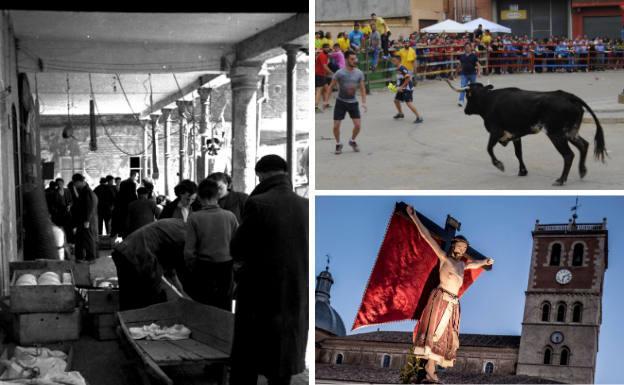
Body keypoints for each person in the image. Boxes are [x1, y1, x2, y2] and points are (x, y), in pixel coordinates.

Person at [229, 155, 308, 385]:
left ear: (261, 175)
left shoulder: (258, 204)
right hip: (294, 296)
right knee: (281, 365)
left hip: (259, 297)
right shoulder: (306, 206)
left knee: (247, 362)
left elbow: (238, 247)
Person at [406, 206, 494, 383]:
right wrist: (414, 217)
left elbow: (475, 263)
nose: (461, 250)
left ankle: (431, 369)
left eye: (464, 248)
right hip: (441, 299)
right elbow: (427, 237)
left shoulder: (462, 265)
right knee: (435, 332)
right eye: (459, 246)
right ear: (453, 245)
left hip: (453, 303)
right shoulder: (444, 258)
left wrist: (485, 261)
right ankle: (427, 369)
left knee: (446, 337)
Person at [112, 219, 190, 311]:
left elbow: (171, 272)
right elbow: (179, 269)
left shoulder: (178, 226)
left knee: (129, 299)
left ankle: (128, 321)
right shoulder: (185, 237)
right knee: (152, 300)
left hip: (123, 252)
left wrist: (181, 294)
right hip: (139, 256)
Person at [184, 179, 238, 311]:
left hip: (203, 268)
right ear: (218, 196)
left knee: (204, 307)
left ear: (199, 197)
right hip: (226, 267)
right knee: (224, 306)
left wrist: (192, 267)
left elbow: (189, 251)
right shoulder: (230, 216)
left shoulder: (194, 218)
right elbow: (239, 244)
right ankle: (223, 331)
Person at [328, 50, 367, 155]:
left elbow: (363, 88)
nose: (355, 61)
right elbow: (331, 86)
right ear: (346, 60)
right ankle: (338, 143)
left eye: (355, 58)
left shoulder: (359, 73)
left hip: (353, 103)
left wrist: (364, 102)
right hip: (340, 102)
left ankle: (352, 140)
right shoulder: (339, 73)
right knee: (336, 126)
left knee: (358, 126)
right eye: (352, 59)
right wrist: (326, 100)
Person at [71, 173, 98, 262]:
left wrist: (87, 220)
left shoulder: (87, 192)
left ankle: (91, 258)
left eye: (75, 183)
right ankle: (80, 257)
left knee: (88, 239)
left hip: (87, 220)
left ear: (79, 182)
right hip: (83, 219)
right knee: (81, 239)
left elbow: (89, 207)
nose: (74, 185)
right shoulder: (83, 191)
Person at [390, 56, 424, 123]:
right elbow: (400, 79)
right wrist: (394, 87)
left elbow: (408, 78)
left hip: (407, 89)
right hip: (401, 88)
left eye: (394, 60)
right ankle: (400, 113)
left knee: (408, 103)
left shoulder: (402, 68)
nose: (393, 62)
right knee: (396, 100)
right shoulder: (397, 69)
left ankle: (419, 117)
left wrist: (401, 87)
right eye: (392, 60)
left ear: (399, 61)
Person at [111, 170, 139, 238]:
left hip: (121, 208)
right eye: (137, 176)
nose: (137, 178)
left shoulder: (123, 183)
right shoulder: (132, 184)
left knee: (123, 227)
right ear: (134, 176)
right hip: (128, 208)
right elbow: (133, 196)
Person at [456, 42, 481, 107]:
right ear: (464, 48)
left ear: (470, 48)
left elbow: (478, 65)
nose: (467, 48)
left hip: (472, 74)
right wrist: (456, 72)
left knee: (473, 88)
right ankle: (461, 100)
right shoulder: (462, 56)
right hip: (464, 74)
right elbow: (459, 65)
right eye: (466, 47)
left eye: (468, 47)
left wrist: (479, 72)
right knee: (463, 87)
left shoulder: (474, 55)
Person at [315, 44, 334, 112]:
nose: (327, 48)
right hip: (319, 75)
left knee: (326, 89)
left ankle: (325, 103)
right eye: (326, 47)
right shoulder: (322, 55)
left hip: (322, 75)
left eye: (328, 47)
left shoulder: (325, 55)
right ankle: (315, 107)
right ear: (323, 48)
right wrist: (332, 73)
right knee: (319, 90)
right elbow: (325, 66)